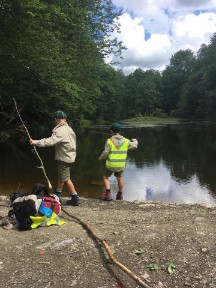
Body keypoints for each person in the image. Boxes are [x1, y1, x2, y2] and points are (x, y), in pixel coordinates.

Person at [29, 110, 80, 206]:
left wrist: (36, 142)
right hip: (70, 156)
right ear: (64, 119)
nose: (55, 120)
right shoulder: (69, 129)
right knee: (62, 176)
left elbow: (51, 141)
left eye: (56, 119)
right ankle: (57, 194)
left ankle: (75, 197)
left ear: (56, 119)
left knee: (66, 178)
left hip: (64, 157)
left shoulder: (60, 130)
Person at [98, 123, 138, 201]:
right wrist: (134, 140)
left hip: (110, 164)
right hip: (120, 165)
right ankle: (119, 194)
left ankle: (108, 193)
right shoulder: (126, 141)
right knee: (119, 178)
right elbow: (135, 145)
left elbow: (105, 153)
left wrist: (100, 158)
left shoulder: (109, 141)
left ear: (112, 131)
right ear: (119, 131)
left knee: (105, 177)